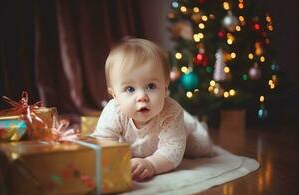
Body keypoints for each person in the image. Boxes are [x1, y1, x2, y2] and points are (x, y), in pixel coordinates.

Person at [91, 38, 213, 181]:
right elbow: (103, 140)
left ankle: (192, 123)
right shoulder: (114, 111)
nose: (142, 97)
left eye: (151, 86)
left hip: (181, 133)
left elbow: (172, 152)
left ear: (165, 88)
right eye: (130, 89)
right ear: (115, 96)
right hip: (143, 143)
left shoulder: (170, 112)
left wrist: (151, 164)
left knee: (202, 148)